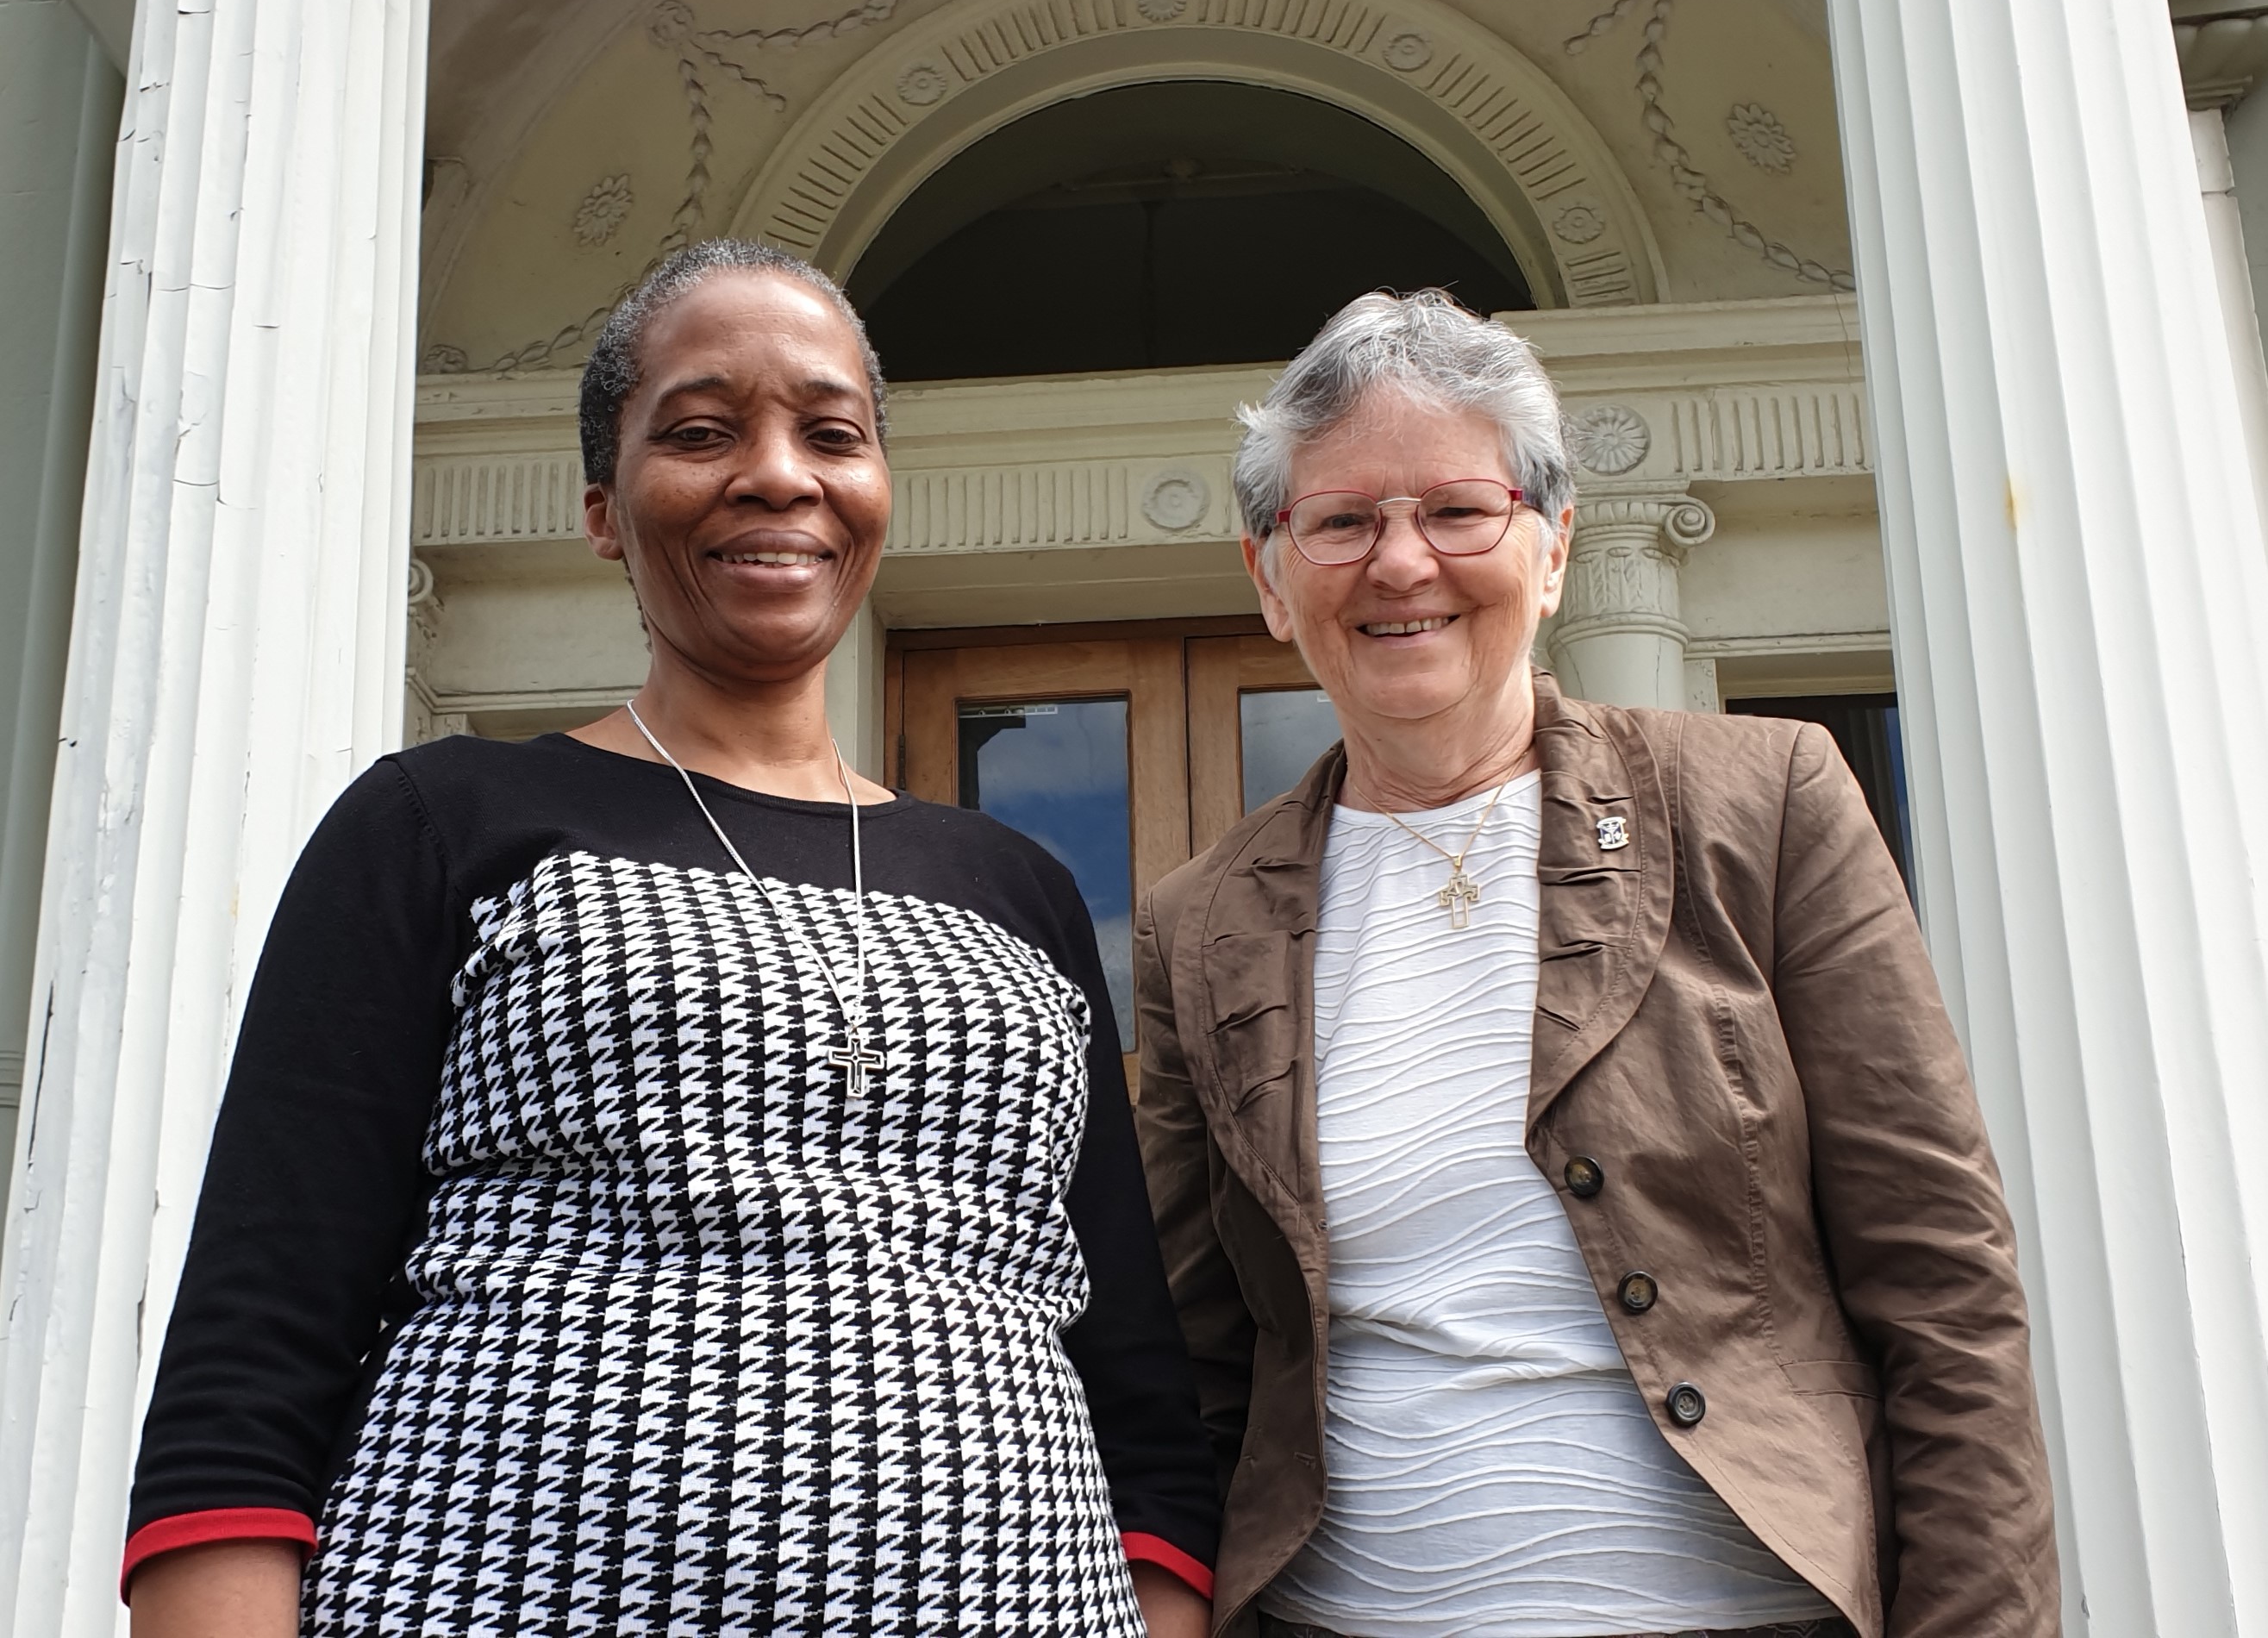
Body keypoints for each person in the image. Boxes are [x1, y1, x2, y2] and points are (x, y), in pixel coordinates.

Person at [123, 239, 1217, 1637]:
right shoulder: (443, 820)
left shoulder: (1016, 886)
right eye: (702, 432)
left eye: (832, 433)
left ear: (879, 490)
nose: (778, 474)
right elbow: (252, 1350)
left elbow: (1129, 1370)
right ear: (602, 506)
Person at [1134, 290, 2056, 1638]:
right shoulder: (1197, 922)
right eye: (1340, 522)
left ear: (1552, 549)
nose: (1401, 563)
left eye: (1458, 508)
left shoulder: (1764, 797)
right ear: (1272, 579)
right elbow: (1200, 1366)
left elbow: (1944, 1285)